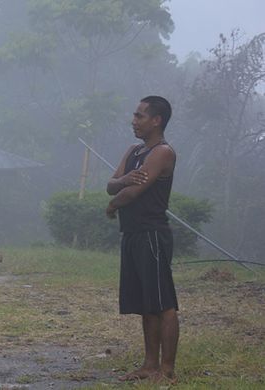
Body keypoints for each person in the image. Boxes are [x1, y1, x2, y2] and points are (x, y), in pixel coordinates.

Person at [106, 96, 178, 384]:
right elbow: (113, 184)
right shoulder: (134, 150)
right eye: (134, 116)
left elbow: (132, 193)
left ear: (156, 120)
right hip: (132, 234)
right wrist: (123, 181)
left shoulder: (162, 152)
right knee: (146, 303)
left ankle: (167, 369)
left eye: (139, 116)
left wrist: (112, 206)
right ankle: (149, 365)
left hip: (152, 234)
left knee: (163, 303)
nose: (133, 121)